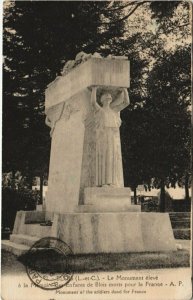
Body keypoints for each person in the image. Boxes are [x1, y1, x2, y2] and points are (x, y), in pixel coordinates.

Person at [90, 86, 130, 187]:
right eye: (106, 96)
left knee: (111, 159)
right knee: (104, 159)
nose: (108, 96)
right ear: (102, 100)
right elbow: (93, 103)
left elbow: (126, 103)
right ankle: (103, 182)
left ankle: (110, 182)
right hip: (103, 137)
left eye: (109, 96)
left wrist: (125, 90)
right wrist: (94, 89)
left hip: (112, 137)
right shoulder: (100, 110)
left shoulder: (114, 110)